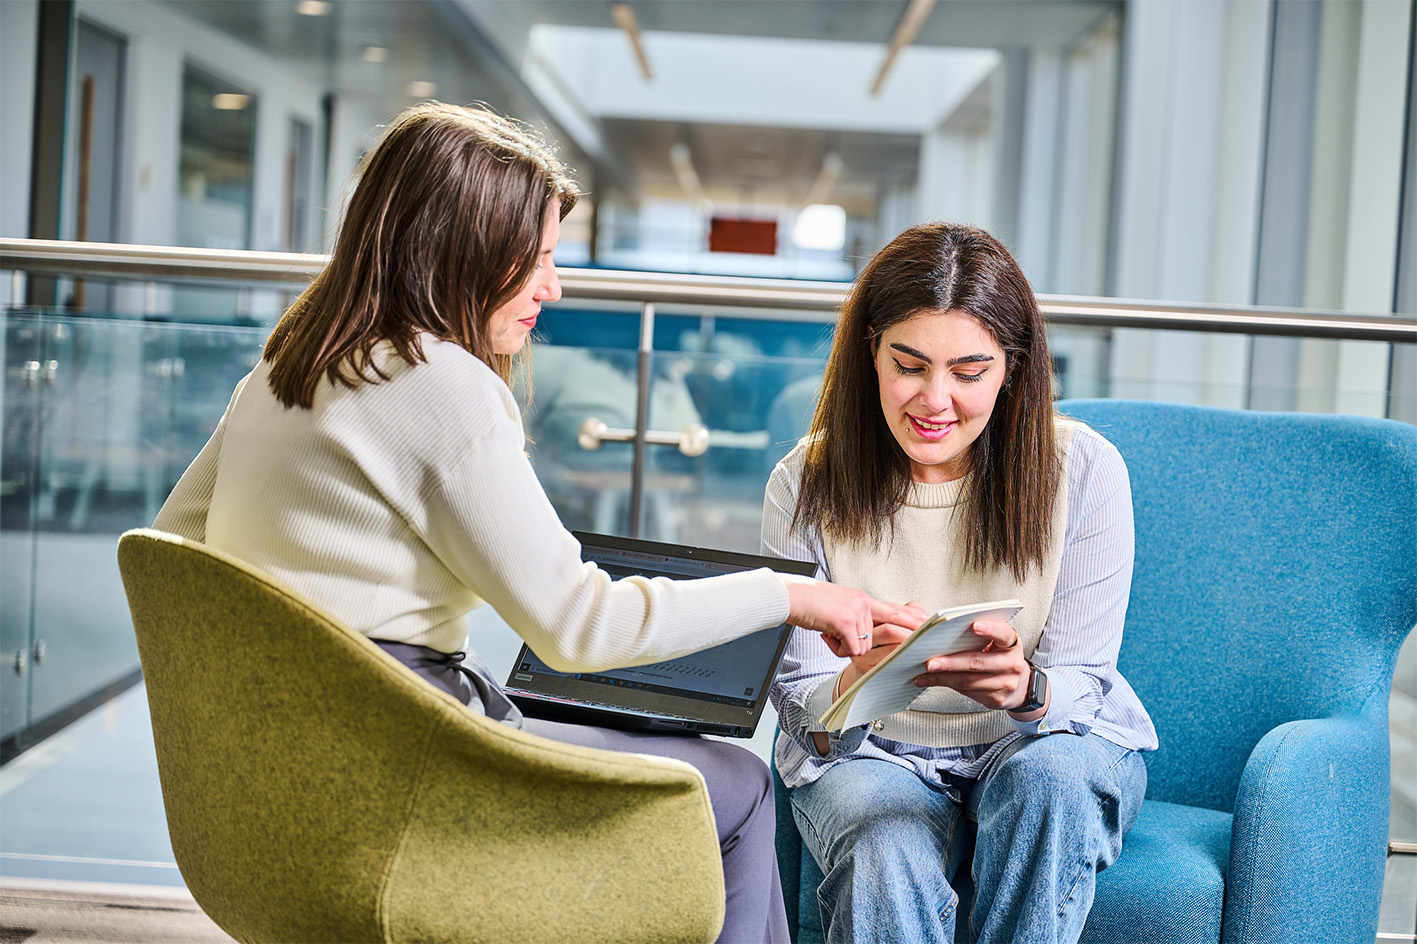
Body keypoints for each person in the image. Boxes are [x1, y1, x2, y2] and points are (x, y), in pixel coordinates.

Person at [152, 102, 917, 944]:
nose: (552, 287)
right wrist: (786, 596)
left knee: (596, 730)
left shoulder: (287, 361)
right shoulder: (441, 382)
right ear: (464, 251)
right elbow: (581, 629)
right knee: (734, 785)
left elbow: (176, 547)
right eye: (538, 260)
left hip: (284, 776)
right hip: (406, 776)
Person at [764, 223, 1158, 944]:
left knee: (1050, 782)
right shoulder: (805, 480)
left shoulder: (1084, 470)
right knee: (880, 836)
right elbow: (800, 708)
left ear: (1010, 368)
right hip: (876, 750)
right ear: (870, 352)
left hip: (1040, 743)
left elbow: (1082, 680)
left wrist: (1024, 690)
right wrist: (852, 682)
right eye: (907, 365)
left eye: (968, 372)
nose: (933, 400)